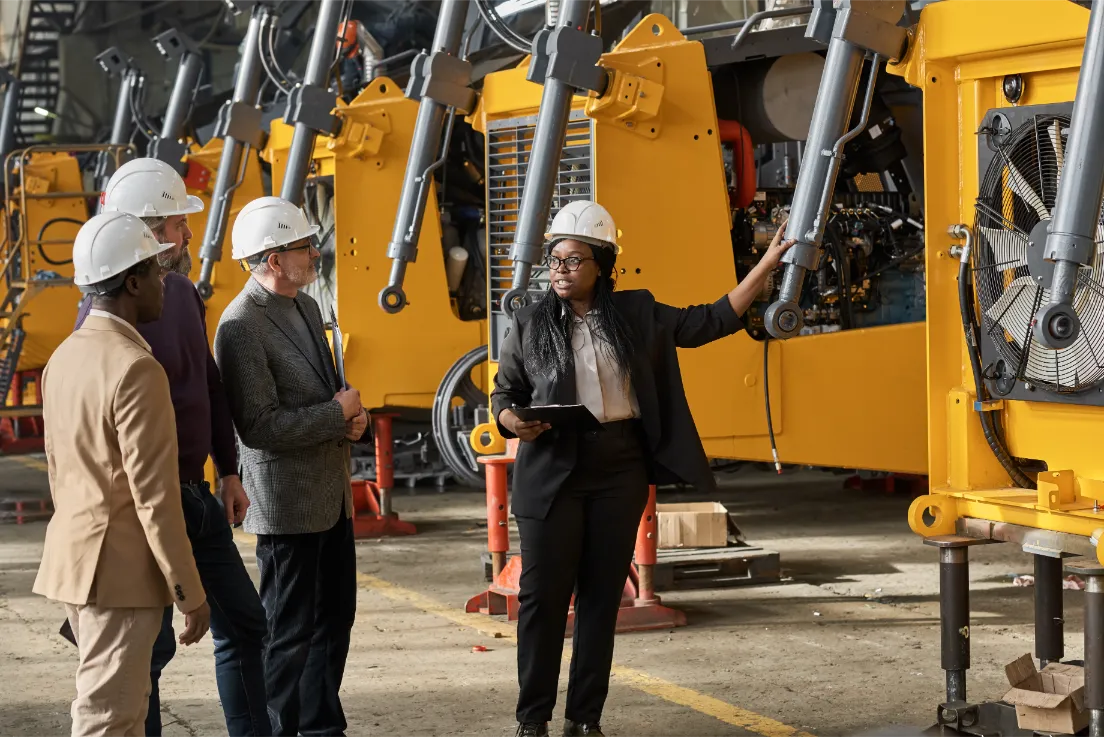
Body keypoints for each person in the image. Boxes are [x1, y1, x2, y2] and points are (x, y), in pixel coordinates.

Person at [491, 201, 796, 737]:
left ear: (603, 265)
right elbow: (505, 394)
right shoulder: (529, 320)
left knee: (601, 598)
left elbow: (710, 320)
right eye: (555, 260)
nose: (560, 270)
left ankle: (584, 720)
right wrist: (511, 420)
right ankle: (532, 720)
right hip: (552, 471)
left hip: (619, 470)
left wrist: (767, 264)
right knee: (543, 599)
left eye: (574, 260)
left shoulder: (637, 312)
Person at [72, 157, 271, 737]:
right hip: (144, 508)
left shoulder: (180, 293)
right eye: (180, 224)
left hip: (194, 497)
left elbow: (208, 383)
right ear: (151, 232)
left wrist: (228, 471)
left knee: (245, 623)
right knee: (149, 653)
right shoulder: (106, 317)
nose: (188, 234)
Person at [34, 211, 211, 736]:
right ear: (132, 283)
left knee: (122, 713)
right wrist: (189, 592)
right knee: (109, 718)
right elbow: (155, 498)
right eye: (155, 272)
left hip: (80, 564)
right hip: (121, 577)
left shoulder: (65, 358)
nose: (164, 283)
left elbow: (59, 469)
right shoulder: (136, 369)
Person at [213, 196, 368, 737]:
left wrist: (354, 419)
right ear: (274, 259)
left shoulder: (304, 305)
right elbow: (259, 427)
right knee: (288, 631)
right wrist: (335, 414)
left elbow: (330, 393)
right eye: (305, 247)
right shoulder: (241, 325)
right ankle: (277, 728)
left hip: (331, 496)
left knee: (334, 619)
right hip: (288, 507)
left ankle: (321, 725)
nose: (315, 253)